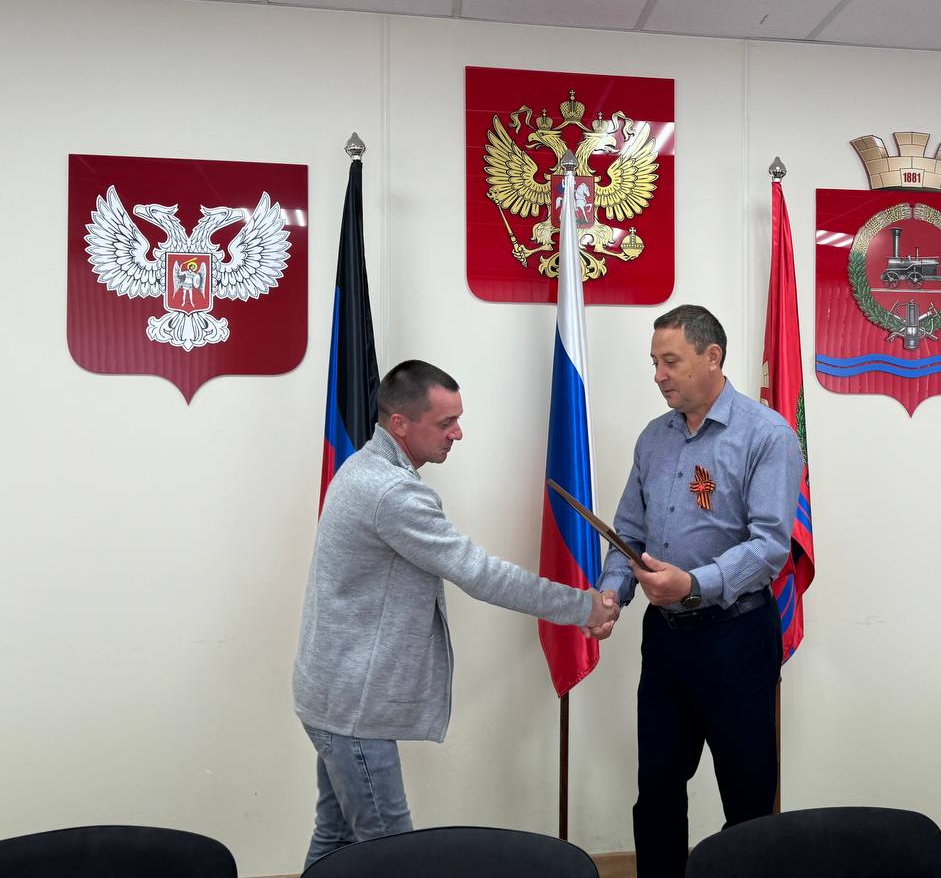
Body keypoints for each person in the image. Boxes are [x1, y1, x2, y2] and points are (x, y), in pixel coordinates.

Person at [292, 359, 618, 868]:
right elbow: (481, 574)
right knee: (394, 857)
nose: (458, 433)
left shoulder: (361, 468)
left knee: (335, 840)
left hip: (333, 696)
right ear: (400, 423)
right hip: (351, 708)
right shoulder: (391, 492)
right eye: (446, 423)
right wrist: (583, 605)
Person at [596, 304, 803, 878]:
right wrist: (612, 594)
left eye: (670, 361)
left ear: (713, 357)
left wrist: (693, 584)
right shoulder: (653, 438)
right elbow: (628, 532)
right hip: (666, 641)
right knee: (657, 790)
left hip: (736, 639)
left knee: (747, 796)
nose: (658, 375)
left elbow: (769, 546)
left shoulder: (766, 435)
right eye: (654, 363)